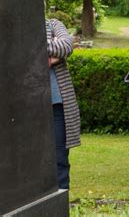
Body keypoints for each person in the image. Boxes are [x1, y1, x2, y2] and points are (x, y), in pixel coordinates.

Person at [46, 18, 81, 189]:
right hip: (23, 107)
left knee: (60, 161)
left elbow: (66, 45)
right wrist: (51, 52)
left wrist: (31, 48)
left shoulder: (53, 24)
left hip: (57, 106)